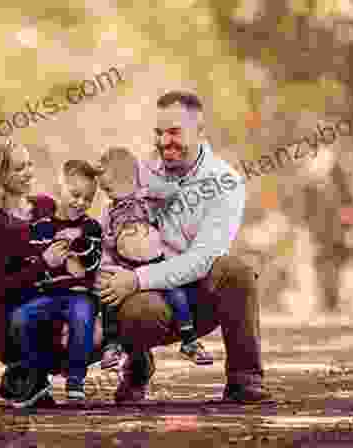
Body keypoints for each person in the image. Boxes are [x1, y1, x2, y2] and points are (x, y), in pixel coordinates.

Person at [95, 91, 270, 404]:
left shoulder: (225, 181)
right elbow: (114, 226)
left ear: (200, 132)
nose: (164, 142)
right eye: (158, 133)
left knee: (236, 271)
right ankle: (137, 367)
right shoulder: (141, 172)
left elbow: (202, 260)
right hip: (150, 295)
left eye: (174, 132)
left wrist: (136, 279)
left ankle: (246, 379)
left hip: (197, 293)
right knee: (137, 313)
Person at [0, 140, 102, 409]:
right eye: (20, 168)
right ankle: (29, 372)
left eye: (30, 164)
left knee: (95, 317)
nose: (30, 172)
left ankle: (125, 366)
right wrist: (43, 263)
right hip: (16, 321)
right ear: (0, 175)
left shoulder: (45, 205)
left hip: (60, 309)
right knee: (30, 320)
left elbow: (81, 226)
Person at [96, 146, 213, 369]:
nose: (107, 194)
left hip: (156, 262)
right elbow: (105, 240)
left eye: (109, 188)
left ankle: (189, 339)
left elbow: (174, 192)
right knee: (108, 299)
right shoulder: (108, 211)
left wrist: (147, 188)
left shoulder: (146, 202)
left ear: (130, 179)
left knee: (176, 293)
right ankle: (112, 345)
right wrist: (108, 262)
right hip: (125, 265)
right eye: (105, 190)